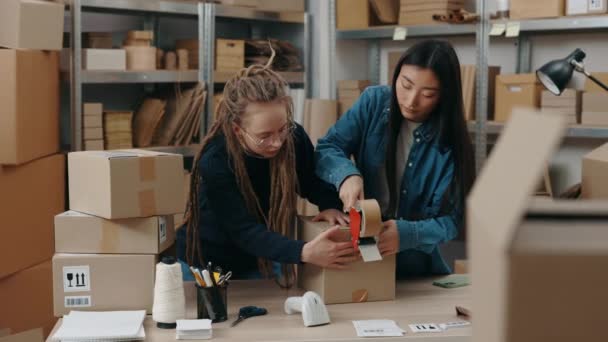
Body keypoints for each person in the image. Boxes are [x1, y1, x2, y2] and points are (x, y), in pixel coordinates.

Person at [178, 55, 356, 288]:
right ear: (237, 130)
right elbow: (243, 230)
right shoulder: (215, 160)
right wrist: (303, 252)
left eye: (282, 129)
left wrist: (329, 203)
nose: (277, 142)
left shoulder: (293, 138)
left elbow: (310, 181)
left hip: (260, 258)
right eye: (264, 136)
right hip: (205, 264)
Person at [315, 40, 475, 277]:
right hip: (359, 252)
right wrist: (346, 174)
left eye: (428, 94)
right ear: (396, 75)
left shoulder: (452, 144)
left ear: (444, 96)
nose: (411, 101)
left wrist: (408, 234)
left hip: (415, 267)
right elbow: (328, 147)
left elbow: (451, 222)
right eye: (406, 85)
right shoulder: (374, 102)